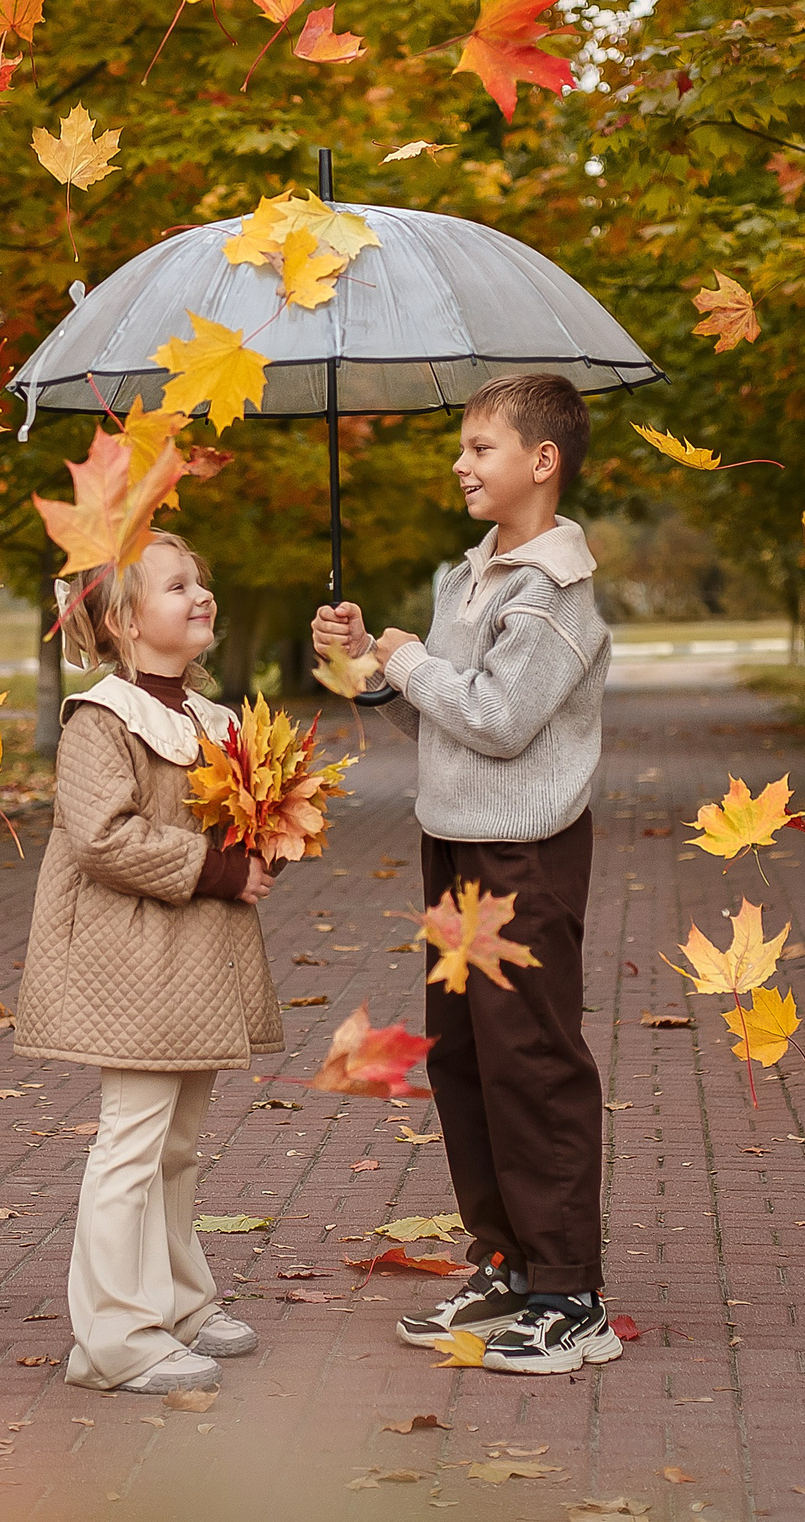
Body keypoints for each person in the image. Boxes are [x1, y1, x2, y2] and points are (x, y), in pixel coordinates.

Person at [310, 372, 618, 1376]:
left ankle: (570, 1294)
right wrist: (372, 659)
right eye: (462, 446)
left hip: (520, 853)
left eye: (481, 447)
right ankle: (504, 1263)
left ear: (542, 461)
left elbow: (497, 716)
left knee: (530, 1059)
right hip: (455, 846)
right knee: (465, 1059)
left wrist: (407, 663)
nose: (461, 462)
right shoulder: (466, 576)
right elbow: (440, 711)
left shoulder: (556, 593)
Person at [15, 531, 283, 1396]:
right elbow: (99, 838)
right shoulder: (104, 718)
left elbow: (232, 826)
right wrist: (213, 868)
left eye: (200, 581)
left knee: (177, 1145)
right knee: (132, 1143)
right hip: (131, 959)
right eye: (177, 587)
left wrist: (272, 830)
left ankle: (179, 1301)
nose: (200, 595)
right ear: (128, 622)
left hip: (194, 963)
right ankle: (113, 1339)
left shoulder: (212, 719)